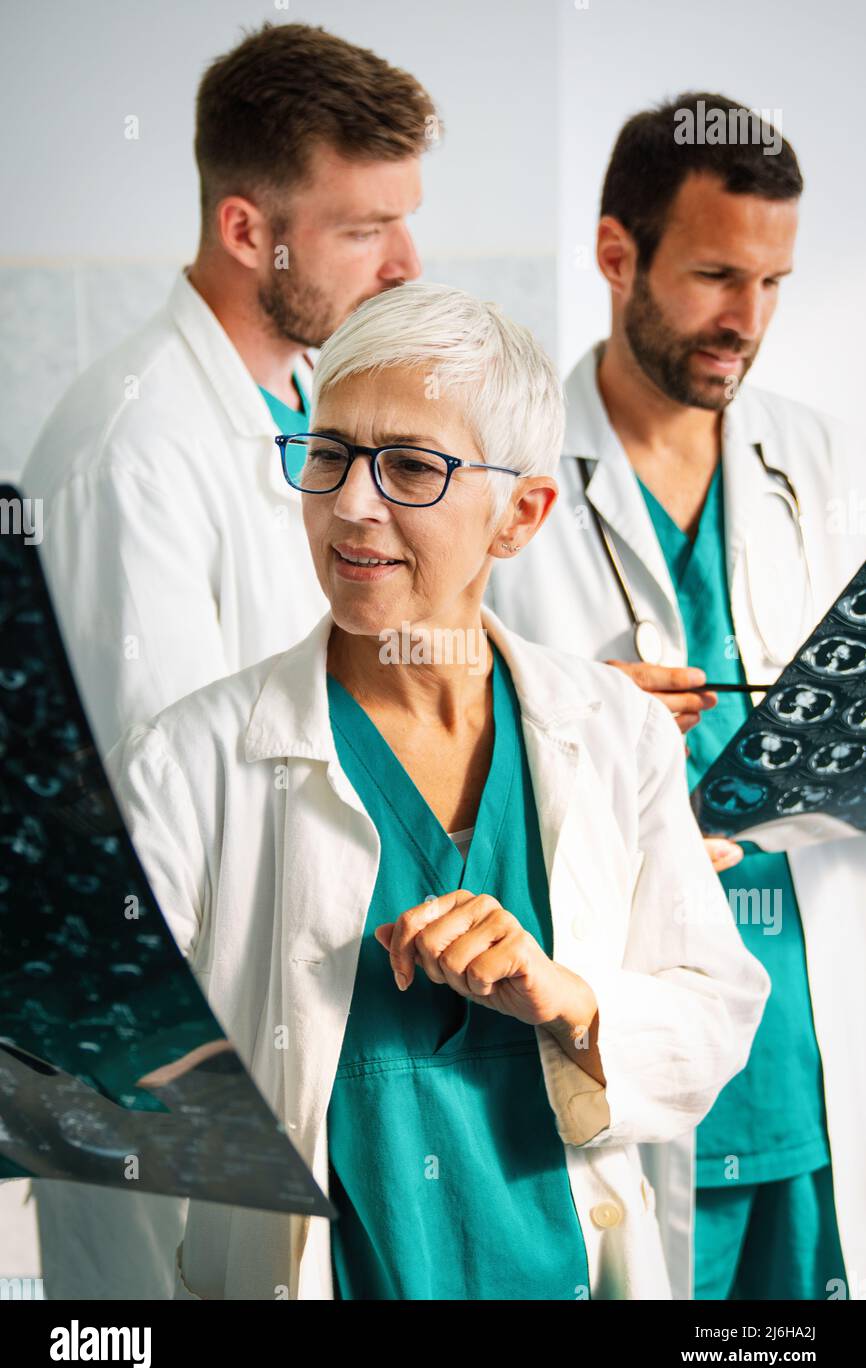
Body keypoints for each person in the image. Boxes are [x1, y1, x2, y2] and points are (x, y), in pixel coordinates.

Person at [104, 281, 769, 1299]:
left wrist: (567, 1002)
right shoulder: (194, 759)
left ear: (521, 513)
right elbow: (80, 1057)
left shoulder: (612, 731)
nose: (350, 503)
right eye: (327, 454)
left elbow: (714, 1013)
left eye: (410, 466)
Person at [22, 21, 437, 1300]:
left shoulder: (307, 408)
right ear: (251, 230)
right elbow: (165, 819)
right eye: (365, 228)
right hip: (180, 1066)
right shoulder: (132, 452)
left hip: (301, 1022)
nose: (406, 262)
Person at [486, 92, 865, 1301]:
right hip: (624, 1047)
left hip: (804, 1050)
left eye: (769, 282)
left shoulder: (813, 455)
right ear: (615, 255)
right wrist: (567, 713)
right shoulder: (503, 472)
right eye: (711, 276)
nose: (743, 322)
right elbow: (427, 737)